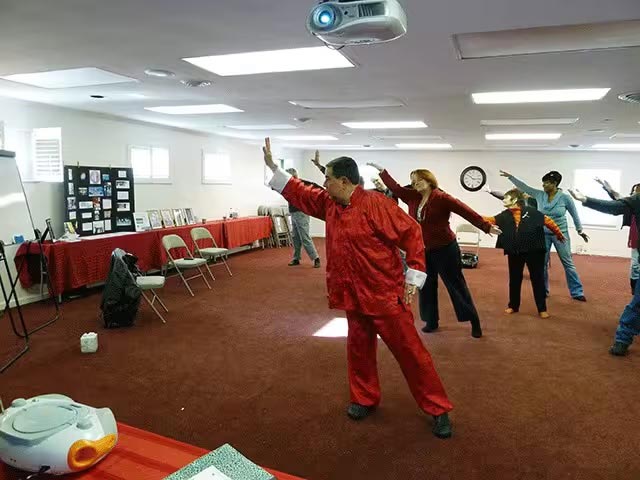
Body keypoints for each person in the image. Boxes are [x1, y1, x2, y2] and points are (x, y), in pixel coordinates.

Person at [262, 138, 454, 438]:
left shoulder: (378, 204)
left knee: (411, 353)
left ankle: (437, 408)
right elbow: (303, 191)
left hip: (384, 295)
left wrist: (413, 275)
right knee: (359, 349)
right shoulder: (330, 203)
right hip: (352, 292)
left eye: (327, 178)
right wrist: (275, 168)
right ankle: (364, 398)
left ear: (343, 181)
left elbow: (412, 232)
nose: (323, 183)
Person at [369, 162, 501, 338]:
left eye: (419, 180)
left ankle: (473, 320)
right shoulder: (412, 196)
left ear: (429, 180)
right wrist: (382, 171)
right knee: (426, 285)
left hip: (446, 248)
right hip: (423, 250)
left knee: (456, 286)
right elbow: (396, 188)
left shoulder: (441, 197)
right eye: (414, 182)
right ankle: (431, 321)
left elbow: (465, 211)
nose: (416, 184)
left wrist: (486, 227)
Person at [569, 187, 640, 356]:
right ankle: (623, 338)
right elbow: (615, 207)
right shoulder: (638, 199)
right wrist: (586, 199)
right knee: (638, 303)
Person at [500, 170, 588, 301]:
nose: (543, 185)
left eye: (546, 183)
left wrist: (580, 230)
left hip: (560, 234)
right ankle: (543, 290)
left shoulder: (565, 198)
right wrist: (511, 177)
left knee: (568, 263)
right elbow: (525, 187)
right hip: (543, 234)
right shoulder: (539, 195)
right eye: (543, 183)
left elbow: (575, 215)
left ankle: (577, 292)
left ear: (555, 184)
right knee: (542, 264)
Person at [483, 189, 565, 318]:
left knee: (537, 279)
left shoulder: (533, 212)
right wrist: (469, 214)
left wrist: (559, 234)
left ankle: (542, 309)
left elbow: (548, 222)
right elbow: (489, 220)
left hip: (534, 251)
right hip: (515, 251)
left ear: (514, 200)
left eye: (506, 198)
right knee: (514, 279)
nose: (503, 200)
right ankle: (513, 306)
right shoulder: (504, 215)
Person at [595, 178, 640, 294]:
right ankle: (635, 290)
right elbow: (618, 197)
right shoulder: (631, 203)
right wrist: (607, 189)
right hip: (636, 239)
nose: (634, 193)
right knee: (635, 265)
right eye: (634, 191)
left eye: (637, 191)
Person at [284, 168, 321, 268]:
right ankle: (296, 258)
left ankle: (316, 258)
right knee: (295, 237)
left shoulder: (300, 185)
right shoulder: (290, 186)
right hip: (293, 213)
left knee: (305, 238)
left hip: (301, 213)